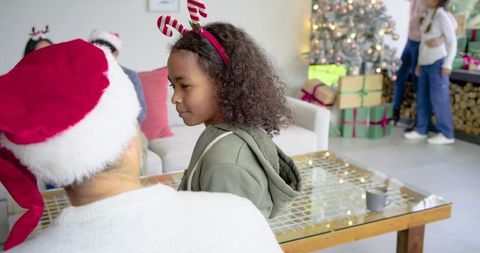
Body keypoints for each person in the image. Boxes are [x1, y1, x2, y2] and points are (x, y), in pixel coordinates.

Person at [0, 39, 282, 253]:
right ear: (133, 132)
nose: (175, 98)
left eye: (184, 86)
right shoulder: (239, 216)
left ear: (44, 169)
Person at [159, 13, 302, 218]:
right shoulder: (221, 138)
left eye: (185, 86)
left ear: (222, 84)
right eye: (174, 86)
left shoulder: (226, 164)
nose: (175, 98)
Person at [392, 0, 456, 130]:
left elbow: (453, 25)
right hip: (409, 42)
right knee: (399, 76)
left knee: (418, 83)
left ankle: (421, 122)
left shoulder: (432, 5)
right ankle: (395, 110)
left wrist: (440, 39)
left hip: (422, 45)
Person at [88, 29, 147, 123]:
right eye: (97, 46)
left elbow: (141, 114)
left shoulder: (130, 76)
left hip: (122, 125)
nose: (102, 52)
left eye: (109, 49)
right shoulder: (79, 70)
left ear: (116, 53)